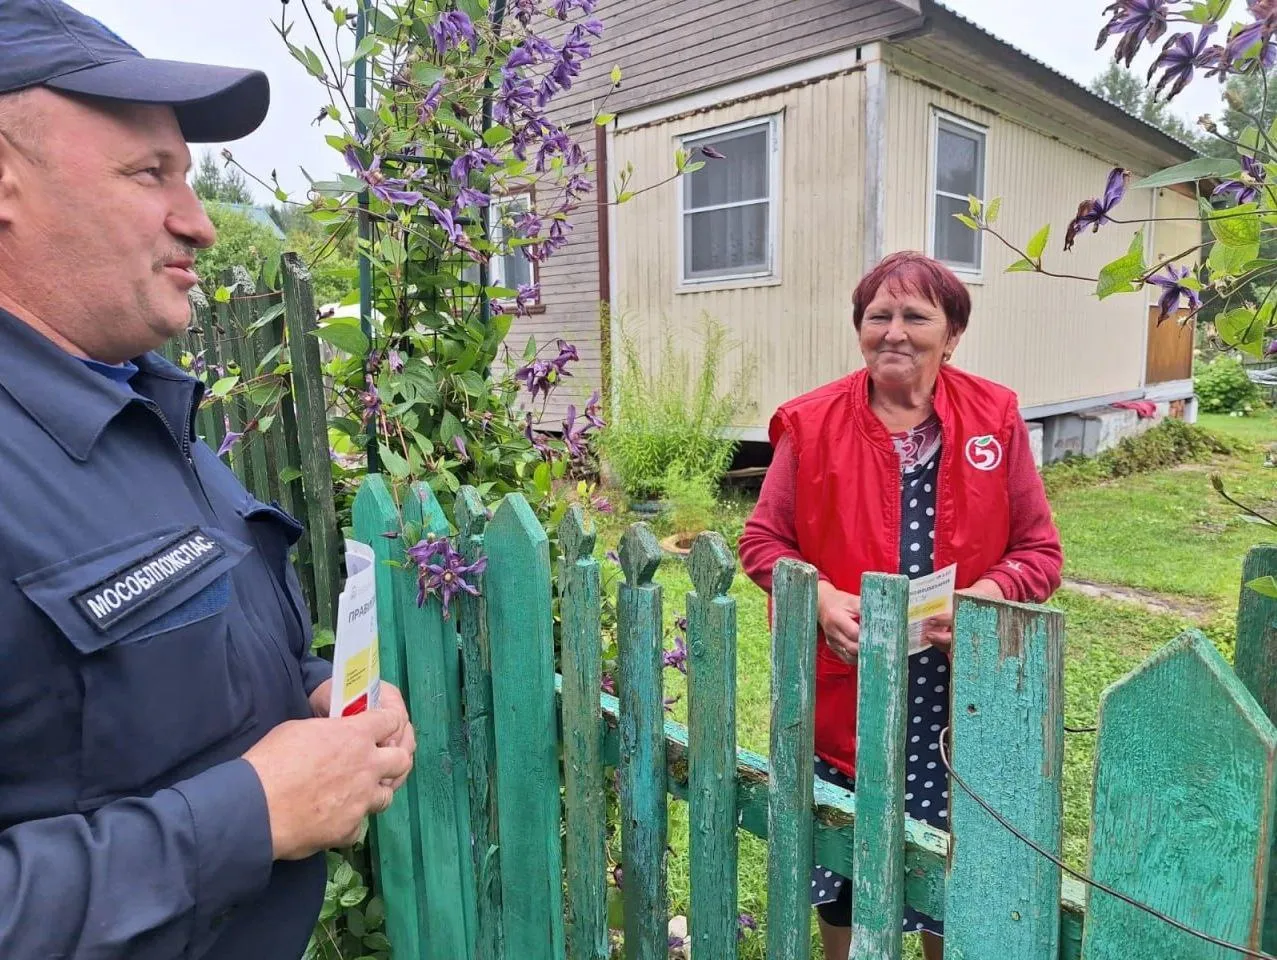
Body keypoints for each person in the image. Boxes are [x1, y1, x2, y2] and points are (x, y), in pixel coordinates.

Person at [0, 2, 416, 957]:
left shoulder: (143, 405)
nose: (199, 223)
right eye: (149, 173)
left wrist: (314, 696)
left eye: (187, 176)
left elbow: (155, 675)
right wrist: (250, 815)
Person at [738, 251, 1063, 960]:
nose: (893, 331)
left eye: (916, 316)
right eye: (877, 315)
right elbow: (762, 542)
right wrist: (821, 598)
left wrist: (982, 600)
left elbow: (1039, 552)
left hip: (957, 697)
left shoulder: (995, 417)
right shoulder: (811, 423)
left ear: (952, 336)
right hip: (846, 689)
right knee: (845, 868)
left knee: (951, 872)